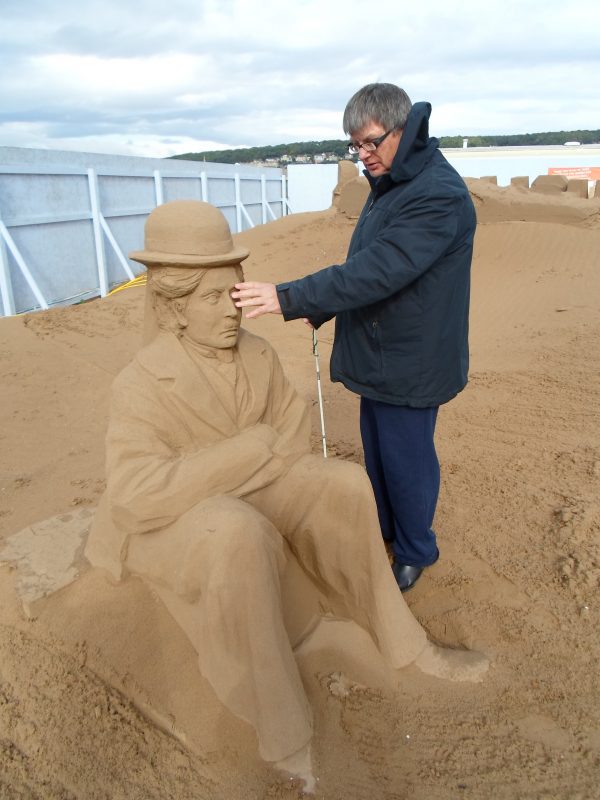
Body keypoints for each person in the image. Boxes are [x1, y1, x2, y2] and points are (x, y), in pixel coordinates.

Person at [86, 199, 486, 793]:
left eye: (236, 293)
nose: (233, 311)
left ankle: (403, 644)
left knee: (345, 484)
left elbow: (294, 438)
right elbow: (138, 495)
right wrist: (247, 454)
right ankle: (281, 730)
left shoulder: (258, 354)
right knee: (235, 531)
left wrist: (234, 468)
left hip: (239, 491)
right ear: (173, 310)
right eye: (212, 298)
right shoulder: (142, 383)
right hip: (178, 526)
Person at [232, 83, 476, 592]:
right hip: (380, 349)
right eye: (355, 146)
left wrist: (291, 296)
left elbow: (381, 271)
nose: (363, 156)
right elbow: (364, 266)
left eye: (370, 142)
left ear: (403, 130)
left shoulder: (437, 193)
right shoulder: (391, 182)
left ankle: (414, 551)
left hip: (413, 357)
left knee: (407, 460)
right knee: (379, 452)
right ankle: (387, 529)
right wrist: (320, 307)